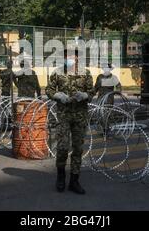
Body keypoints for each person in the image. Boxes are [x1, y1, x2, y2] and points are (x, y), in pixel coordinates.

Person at [46, 49, 94, 194]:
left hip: (80, 116)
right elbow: (48, 90)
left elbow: (92, 92)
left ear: (78, 58)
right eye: (68, 56)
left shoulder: (85, 73)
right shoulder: (57, 72)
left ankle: (74, 180)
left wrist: (86, 95)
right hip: (64, 115)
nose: (71, 58)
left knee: (78, 149)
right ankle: (61, 177)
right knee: (62, 147)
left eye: (73, 55)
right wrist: (57, 95)